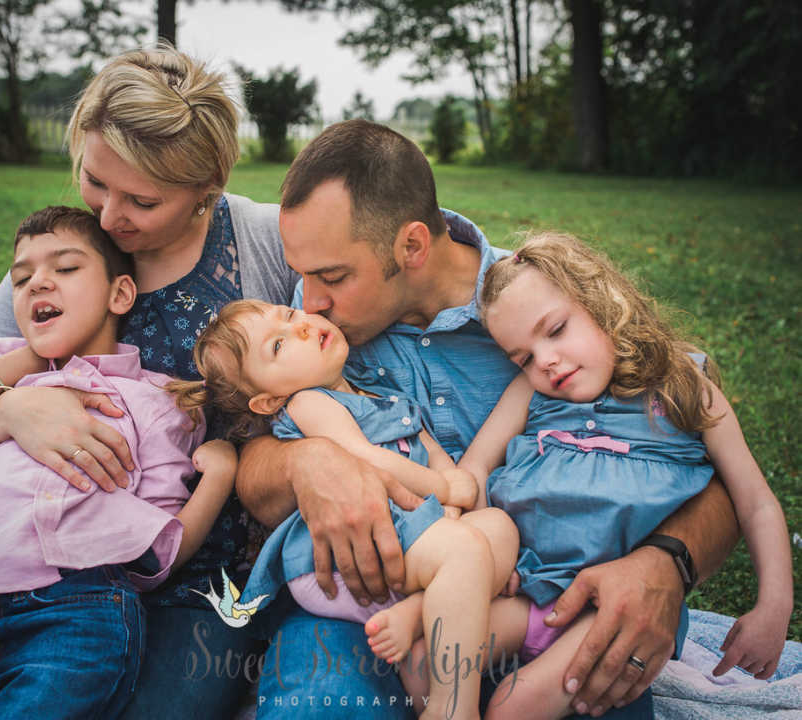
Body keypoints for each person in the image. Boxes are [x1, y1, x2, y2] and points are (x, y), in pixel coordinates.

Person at [236, 119, 742, 719]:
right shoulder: (313, 334)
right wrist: (306, 461)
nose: (309, 301)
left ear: (413, 246)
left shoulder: (541, 306)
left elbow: (713, 468)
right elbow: (253, 465)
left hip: (545, 603)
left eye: (333, 277)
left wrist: (666, 560)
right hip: (368, 608)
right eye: (303, 275)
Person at [0, 46, 297, 718]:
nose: (109, 215)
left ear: (207, 186)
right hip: (16, 567)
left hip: (190, 579)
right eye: (94, 181)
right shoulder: (57, 267)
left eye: (142, 199)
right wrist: (6, 416)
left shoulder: (263, 244)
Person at [0, 206, 239, 717]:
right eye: (22, 278)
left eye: (64, 268)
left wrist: (220, 478)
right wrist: (28, 364)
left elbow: (164, 539)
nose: (38, 283)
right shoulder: (0, 369)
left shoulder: (153, 400)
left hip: (72, 614)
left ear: (119, 294)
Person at [446, 232, 793, 718]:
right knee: (432, 659)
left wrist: (774, 608)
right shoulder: (533, 396)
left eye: (556, 329)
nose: (544, 360)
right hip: (532, 591)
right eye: (523, 357)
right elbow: (476, 468)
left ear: (600, 300)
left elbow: (754, 501)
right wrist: (486, 551)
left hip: (615, 611)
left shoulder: (680, 387)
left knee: (514, 705)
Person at [168, 298, 519, 719]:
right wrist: (444, 486)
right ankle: (451, 707)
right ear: (267, 401)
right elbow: (365, 457)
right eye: (277, 347)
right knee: (465, 552)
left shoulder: (378, 391)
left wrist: (453, 496)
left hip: (406, 525)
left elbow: (425, 446)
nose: (300, 327)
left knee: (497, 526)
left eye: (291, 316)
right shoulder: (307, 403)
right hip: (347, 552)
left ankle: (416, 616)